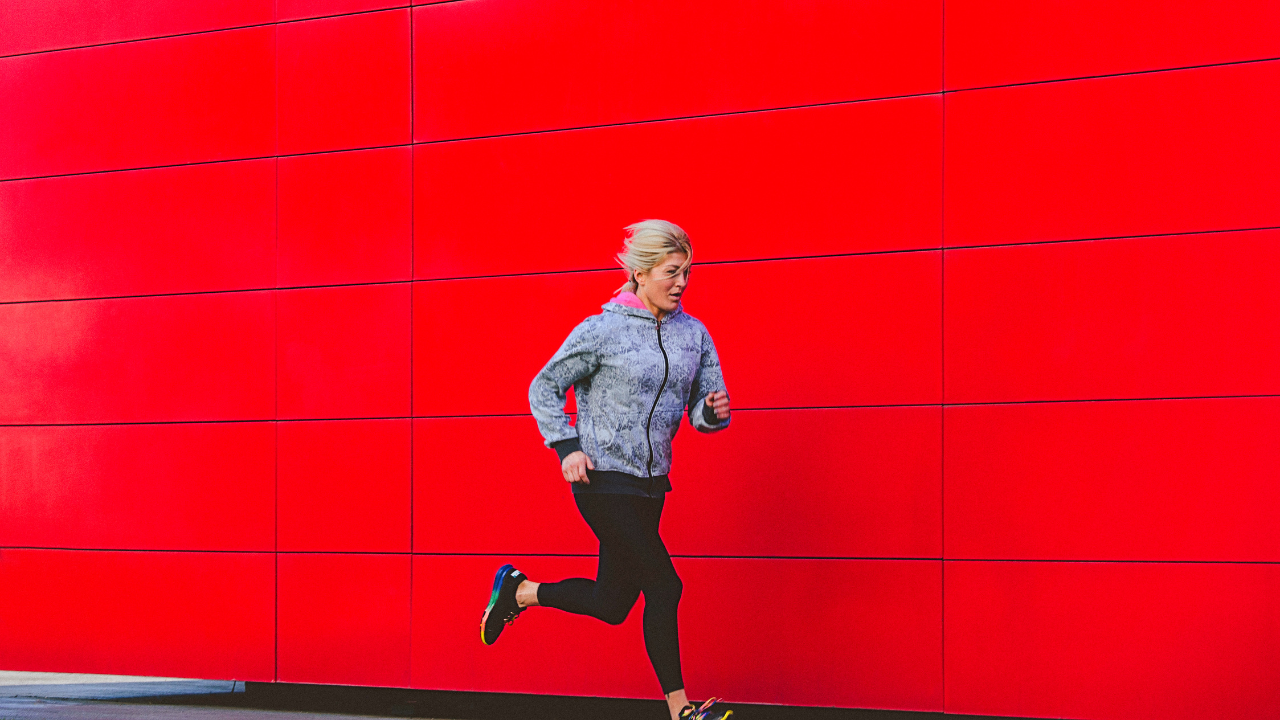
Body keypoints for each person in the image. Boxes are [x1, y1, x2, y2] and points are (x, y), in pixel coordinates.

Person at [479, 220, 734, 720]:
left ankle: (520, 590)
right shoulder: (601, 331)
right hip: (601, 480)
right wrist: (567, 446)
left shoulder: (693, 334)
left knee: (614, 603)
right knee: (666, 586)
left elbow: (702, 410)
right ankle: (681, 711)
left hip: (651, 485)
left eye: (686, 273)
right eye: (671, 272)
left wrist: (711, 412)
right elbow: (543, 388)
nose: (681, 283)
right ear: (640, 273)